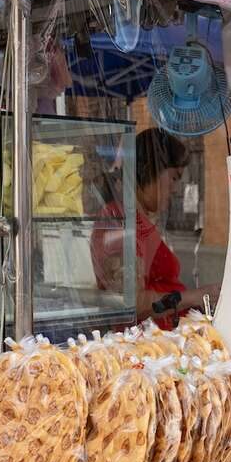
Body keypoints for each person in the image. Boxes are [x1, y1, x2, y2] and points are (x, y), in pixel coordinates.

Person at [91, 129, 197, 325]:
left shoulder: (138, 219)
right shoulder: (118, 220)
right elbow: (132, 301)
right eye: (174, 178)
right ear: (150, 171)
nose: (175, 189)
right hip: (140, 338)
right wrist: (195, 296)